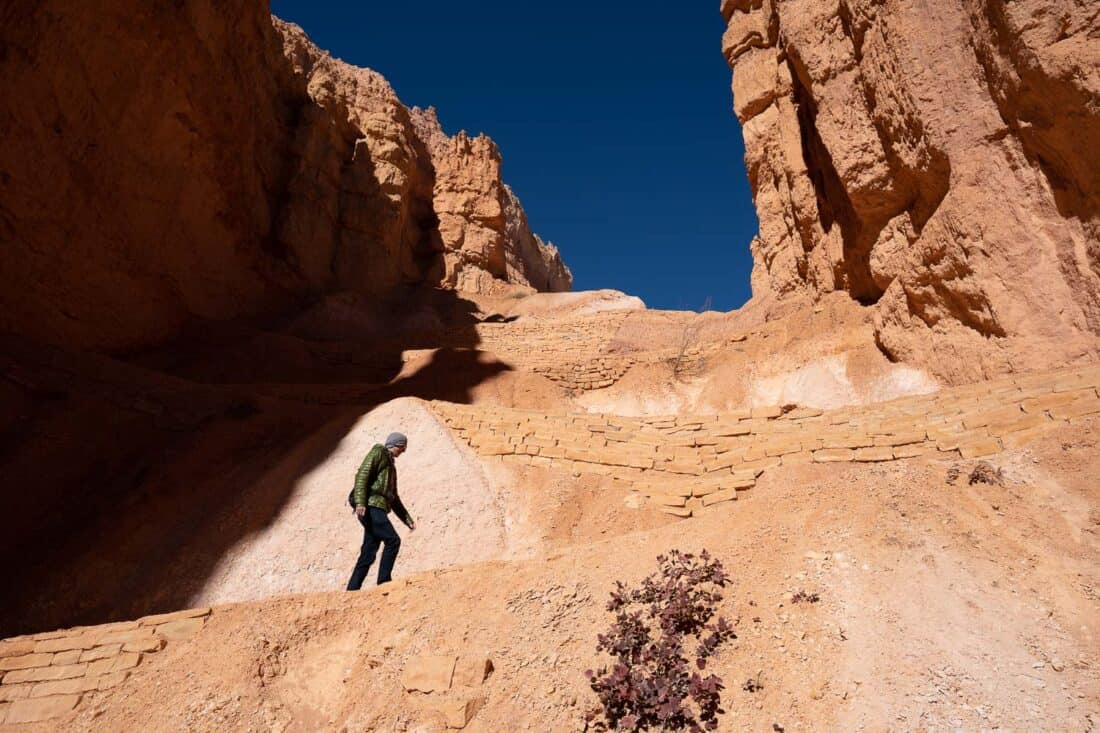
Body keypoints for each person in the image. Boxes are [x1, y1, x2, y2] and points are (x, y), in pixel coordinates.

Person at [346, 432, 416, 590]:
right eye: (403, 448)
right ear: (396, 445)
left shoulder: (391, 466)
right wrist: (360, 502)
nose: (403, 452)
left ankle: (352, 590)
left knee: (369, 551)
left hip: (377, 507)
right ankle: (384, 582)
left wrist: (407, 520)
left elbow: (394, 497)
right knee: (393, 540)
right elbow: (362, 475)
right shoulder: (378, 452)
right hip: (371, 506)